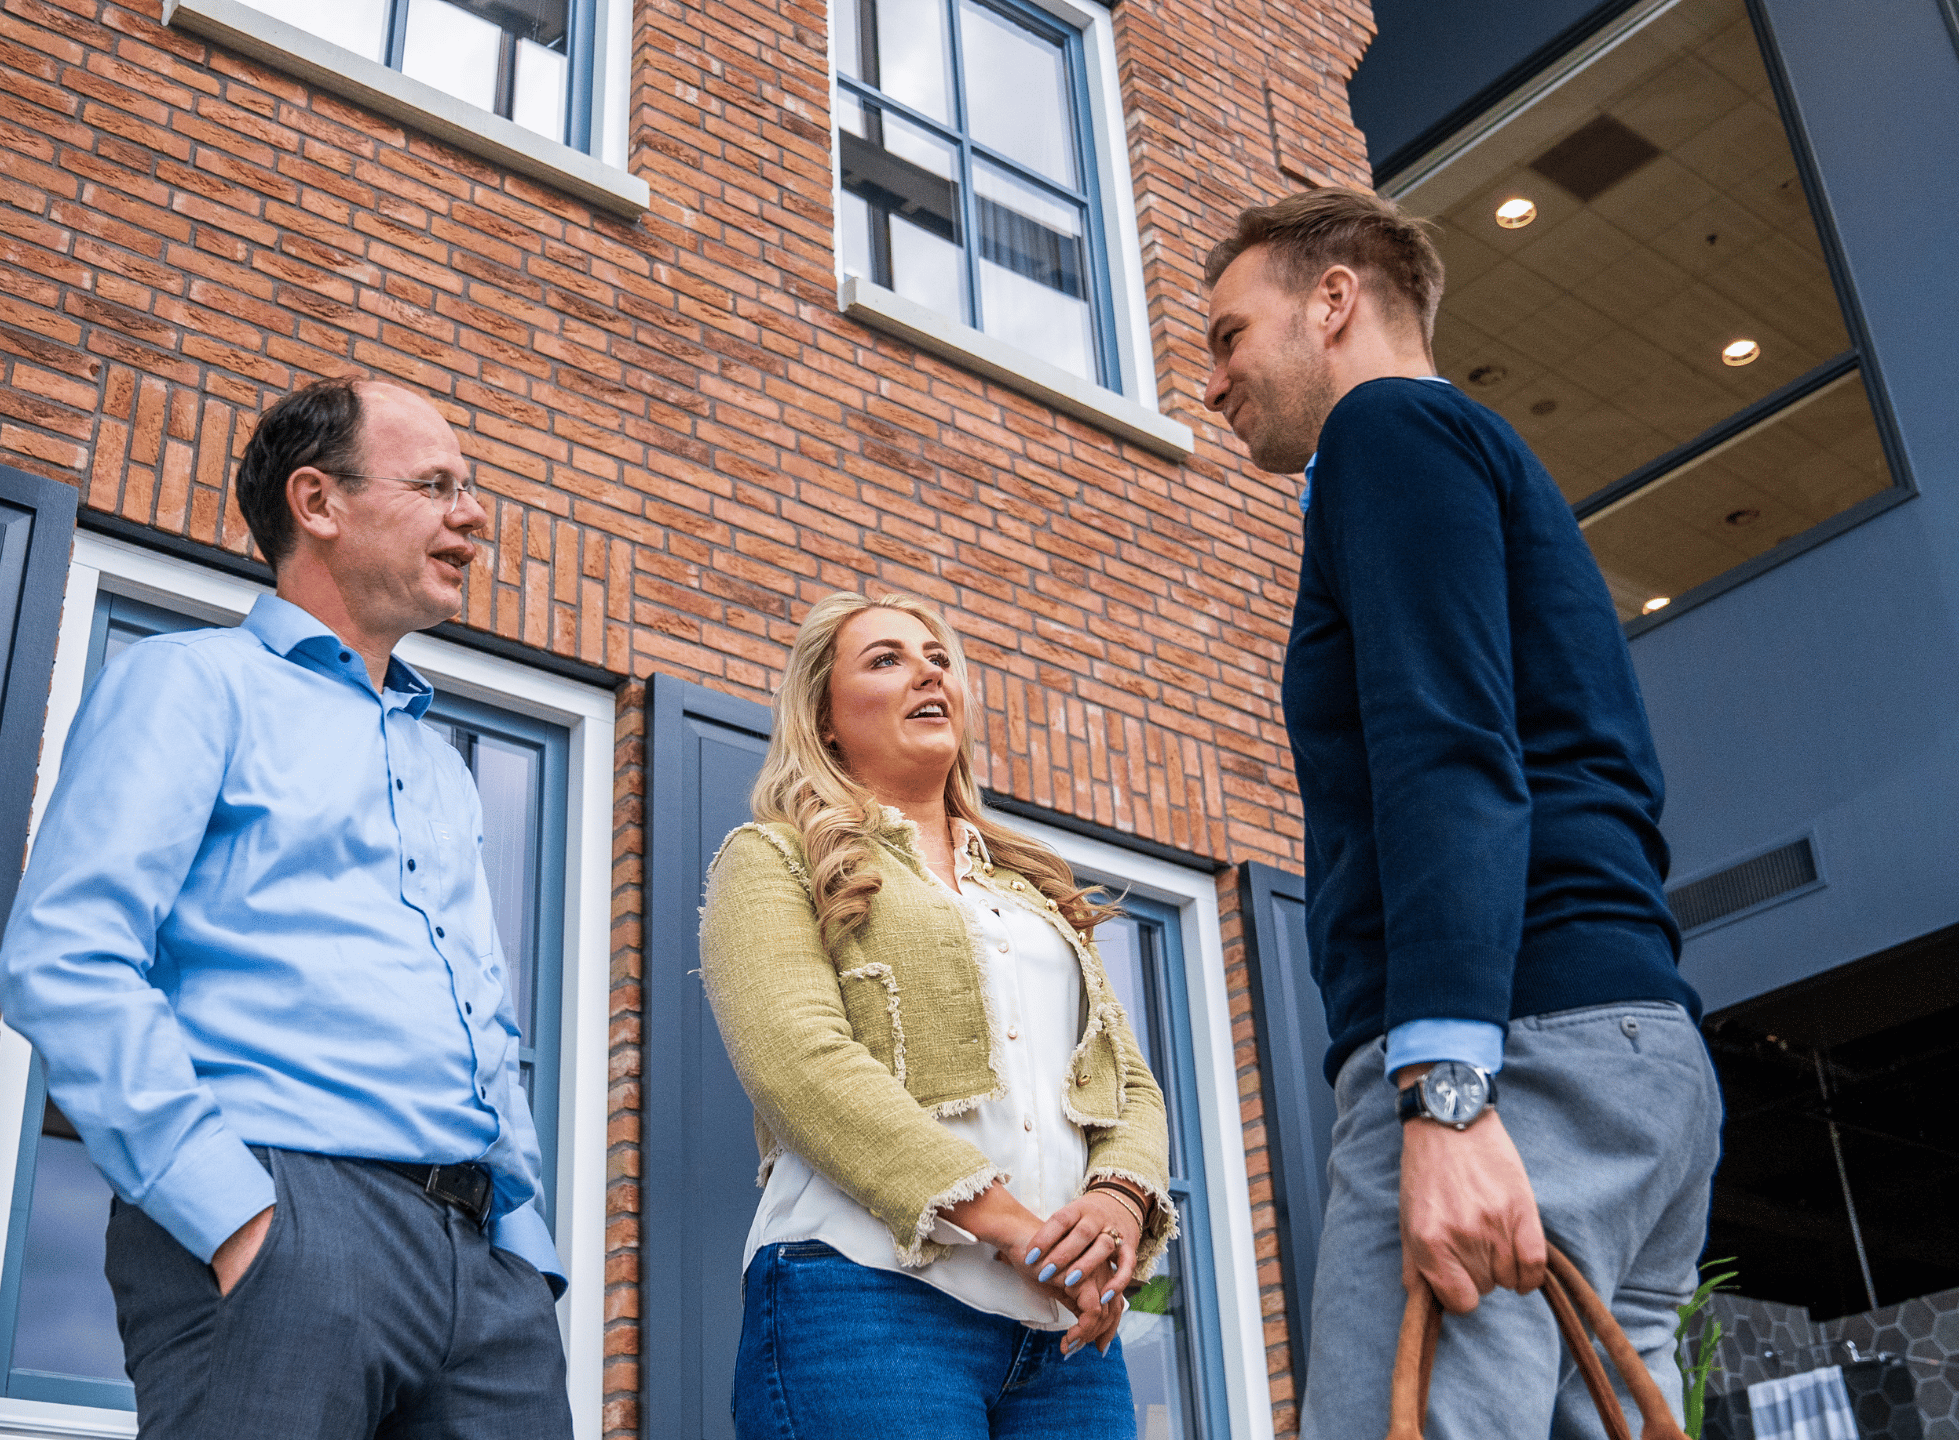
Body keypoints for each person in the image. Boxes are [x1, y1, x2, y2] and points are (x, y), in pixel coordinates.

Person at [1200, 187, 1722, 1437]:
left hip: (1511, 1056)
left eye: (1227, 335)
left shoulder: (1387, 433)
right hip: (1641, 1061)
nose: (1212, 381)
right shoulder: (1494, 463)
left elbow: (1448, 745)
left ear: (1333, 302)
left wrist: (1445, 1089)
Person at [0, 377, 572, 1440]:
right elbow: (65, 956)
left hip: (487, 1276)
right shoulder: (190, 686)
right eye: (438, 484)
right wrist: (233, 1213)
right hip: (288, 1220)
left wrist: (524, 1247)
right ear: (318, 502)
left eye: (471, 488)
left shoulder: (438, 765)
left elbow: (482, 1010)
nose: (475, 515)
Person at [700, 592, 1175, 1440]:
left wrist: (1117, 1206)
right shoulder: (771, 857)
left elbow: (1126, 1080)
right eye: (886, 659)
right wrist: (1020, 1231)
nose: (929, 669)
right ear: (825, 718)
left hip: (1063, 1339)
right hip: (862, 1302)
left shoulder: (1036, 893)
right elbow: (800, 1063)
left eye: (938, 657)